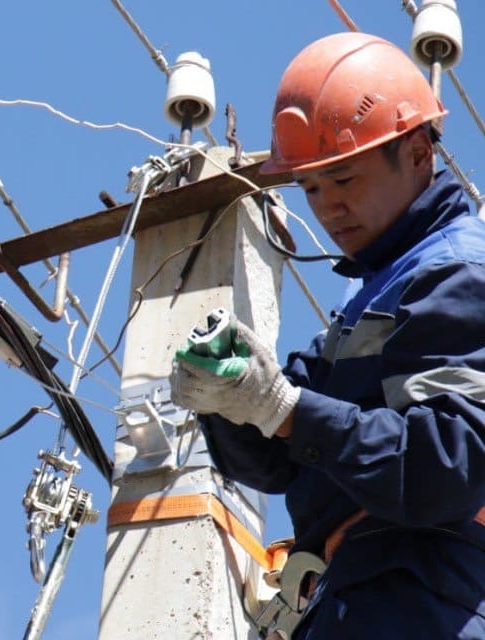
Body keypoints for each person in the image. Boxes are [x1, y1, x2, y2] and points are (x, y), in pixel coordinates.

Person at [171, 32, 485, 638]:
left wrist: (286, 409)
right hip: (363, 594)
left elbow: (446, 463)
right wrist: (226, 399)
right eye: (312, 188)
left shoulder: (458, 273)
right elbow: (278, 458)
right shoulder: (372, 294)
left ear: (419, 153)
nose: (328, 208)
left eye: (344, 179)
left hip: (428, 597)